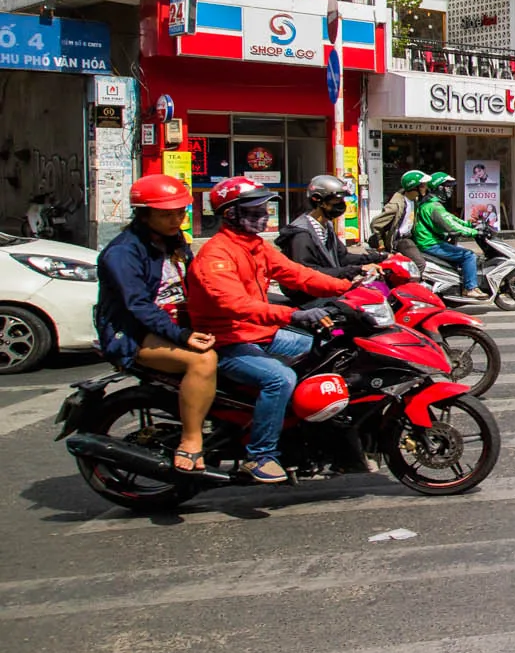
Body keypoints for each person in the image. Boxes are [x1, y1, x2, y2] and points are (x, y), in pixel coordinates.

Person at [186, 176, 350, 483]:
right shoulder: (216, 256)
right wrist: (293, 315)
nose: (264, 215)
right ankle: (260, 455)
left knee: (328, 352)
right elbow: (236, 306)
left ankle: (303, 429)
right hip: (227, 341)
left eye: (264, 208)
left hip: (258, 334)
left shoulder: (256, 246)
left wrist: (350, 287)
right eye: (255, 210)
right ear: (231, 214)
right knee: (279, 378)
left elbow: (298, 274)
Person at [94, 174, 217, 472]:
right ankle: (191, 441)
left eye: (180, 212)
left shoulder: (173, 241)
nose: (176, 219)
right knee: (203, 361)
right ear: (145, 214)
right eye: (166, 214)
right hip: (136, 334)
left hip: (176, 325)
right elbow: (138, 306)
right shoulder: (123, 252)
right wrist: (183, 335)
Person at [276, 175, 385, 301]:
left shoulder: (326, 226)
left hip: (325, 288)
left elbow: (342, 257)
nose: (342, 205)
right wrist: (356, 270)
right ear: (318, 200)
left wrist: (379, 258)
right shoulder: (302, 234)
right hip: (307, 296)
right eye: (337, 201)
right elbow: (309, 273)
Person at [414, 172, 483, 298]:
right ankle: (470, 288)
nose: (450, 190)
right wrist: (473, 232)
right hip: (431, 244)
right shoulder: (433, 207)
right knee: (469, 256)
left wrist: (467, 224)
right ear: (440, 188)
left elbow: (451, 219)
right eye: (448, 187)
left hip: (430, 242)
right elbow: (450, 226)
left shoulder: (430, 204)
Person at [370, 168, 428, 253]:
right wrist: (381, 243)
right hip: (399, 241)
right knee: (420, 263)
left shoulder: (414, 201)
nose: (426, 188)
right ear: (413, 187)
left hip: (409, 238)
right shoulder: (396, 205)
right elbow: (375, 224)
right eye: (422, 186)